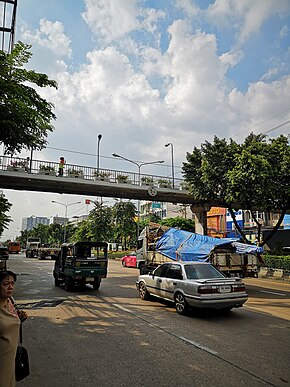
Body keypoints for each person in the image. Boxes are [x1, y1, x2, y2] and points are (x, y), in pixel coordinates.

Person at [0, 271, 27, 387]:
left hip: (11, 356)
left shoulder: (10, 301)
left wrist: (20, 318)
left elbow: (12, 320)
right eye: (6, 284)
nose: (10, 287)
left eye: (12, 283)